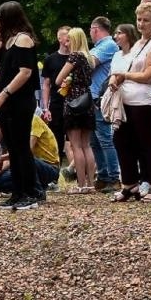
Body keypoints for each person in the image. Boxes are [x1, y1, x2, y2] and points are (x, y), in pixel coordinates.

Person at [0, 1, 41, 210]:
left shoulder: (23, 39)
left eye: (0, 16)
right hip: (6, 102)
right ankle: (17, 192)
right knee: (13, 146)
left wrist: (5, 93)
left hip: (19, 99)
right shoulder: (7, 41)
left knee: (21, 148)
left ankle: (30, 191)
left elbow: (25, 72)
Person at [110, 10, 151, 202]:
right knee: (122, 141)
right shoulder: (137, 45)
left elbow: (148, 75)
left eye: (146, 20)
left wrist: (123, 75)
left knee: (148, 144)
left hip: (146, 101)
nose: (142, 24)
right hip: (126, 101)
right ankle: (129, 183)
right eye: (139, 20)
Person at [54, 26, 99, 194]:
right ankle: (90, 184)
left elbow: (58, 79)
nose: (67, 42)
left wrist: (68, 79)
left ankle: (80, 185)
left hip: (73, 100)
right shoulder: (89, 58)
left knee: (76, 146)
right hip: (87, 101)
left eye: (69, 39)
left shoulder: (74, 56)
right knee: (87, 145)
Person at [0, 108, 61, 199]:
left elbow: (27, 150)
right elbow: (14, 157)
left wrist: (2, 158)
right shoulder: (15, 126)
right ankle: (24, 192)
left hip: (49, 167)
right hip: (29, 163)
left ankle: (36, 193)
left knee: (27, 159)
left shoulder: (34, 120)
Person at [86, 17, 122, 192]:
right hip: (92, 97)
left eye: (90, 30)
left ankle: (114, 177)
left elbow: (88, 64)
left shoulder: (108, 45)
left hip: (100, 98)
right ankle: (103, 174)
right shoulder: (98, 48)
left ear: (95, 29)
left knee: (105, 139)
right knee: (94, 140)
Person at [39, 25, 71, 169]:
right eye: (66, 35)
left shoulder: (76, 57)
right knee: (56, 139)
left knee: (74, 140)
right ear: (59, 38)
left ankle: (75, 172)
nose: (69, 37)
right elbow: (46, 84)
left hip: (74, 102)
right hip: (56, 103)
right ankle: (55, 173)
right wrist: (45, 107)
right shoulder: (51, 59)